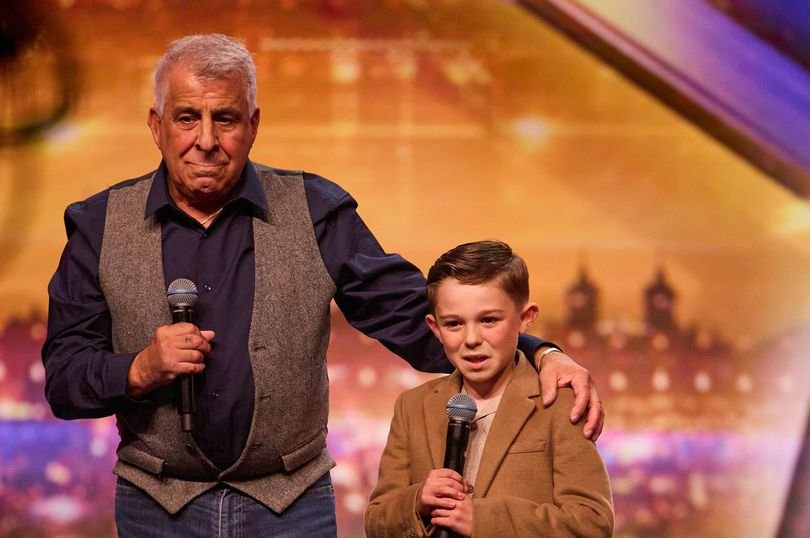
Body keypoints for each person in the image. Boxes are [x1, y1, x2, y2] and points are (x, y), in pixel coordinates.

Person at [41, 34, 604, 536]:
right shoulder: (97, 225)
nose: (206, 140)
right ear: (156, 126)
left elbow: (422, 320)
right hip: (153, 506)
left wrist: (539, 351)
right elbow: (65, 378)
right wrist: (138, 369)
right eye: (187, 117)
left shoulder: (316, 211)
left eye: (227, 119)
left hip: (291, 506)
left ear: (254, 126)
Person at [365, 240, 614, 537]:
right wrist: (417, 500)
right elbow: (377, 520)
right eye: (454, 324)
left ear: (525, 318)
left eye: (488, 320)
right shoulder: (412, 407)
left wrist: (483, 520)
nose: (471, 338)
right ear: (434, 328)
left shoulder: (559, 403)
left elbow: (592, 523)